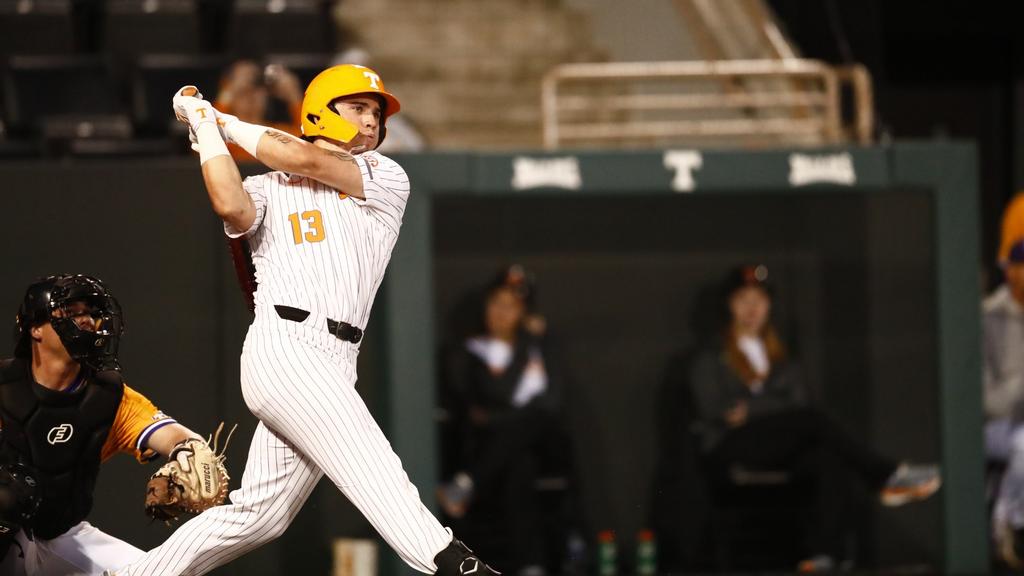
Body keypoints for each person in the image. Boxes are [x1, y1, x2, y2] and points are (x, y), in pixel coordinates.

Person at [108, 64, 499, 576]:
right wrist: (204, 129)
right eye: (357, 107)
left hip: (336, 358)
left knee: (258, 516)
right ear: (321, 110)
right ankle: (452, 564)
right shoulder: (269, 186)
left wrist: (215, 116)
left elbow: (298, 154)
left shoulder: (385, 177)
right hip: (287, 345)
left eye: (376, 113)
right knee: (371, 463)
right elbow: (229, 201)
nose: (369, 121)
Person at [689, 265, 942, 573]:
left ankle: (825, 555)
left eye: (759, 299)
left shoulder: (783, 361)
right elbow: (720, 410)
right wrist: (769, 408)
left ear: (769, 305)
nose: (752, 308)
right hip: (731, 448)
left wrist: (753, 409)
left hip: (778, 448)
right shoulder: (712, 357)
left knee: (826, 456)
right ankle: (885, 475)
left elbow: (793, 409)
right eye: (743, 299)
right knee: (813, 420)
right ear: (730, 305)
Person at [0, 274, 213, 575]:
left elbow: (177, 438)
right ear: (35, 328)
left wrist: (189, 452)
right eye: (72, 312)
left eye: (90, 312)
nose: (87, 320)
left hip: (60, 532)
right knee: (9, 493)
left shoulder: (106, 396)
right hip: (7, 539)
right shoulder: (5, 386)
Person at [436, 265, 566, 575]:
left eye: (511, 307)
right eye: (496, 303)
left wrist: (531, 343)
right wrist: (526, 344)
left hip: (542, 443)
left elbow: (554, 402)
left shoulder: (542, 346)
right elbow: (496, 393)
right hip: (494, 448)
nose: (501, 313)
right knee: (520, 461)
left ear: (524, 312)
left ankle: (466, 483)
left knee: (537, 420)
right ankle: (530, 565)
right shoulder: (472, 350)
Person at [983, 238, 1024, 567]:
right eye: (1019, 266)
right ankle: (1009, 524)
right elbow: (985, 402)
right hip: (996, 428)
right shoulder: (988, 316)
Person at [213, 60, 304, 162]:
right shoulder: (222, 135)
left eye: (257, 86)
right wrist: (228, 92)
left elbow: (309, 145)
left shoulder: (279, 133)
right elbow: (206, 140)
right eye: (242, 91)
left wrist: (294, 96)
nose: (250, 94)